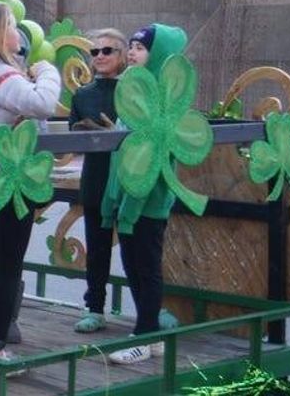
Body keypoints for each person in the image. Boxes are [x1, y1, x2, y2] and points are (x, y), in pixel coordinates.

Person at [0, 3, 61, 366]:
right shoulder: (4, 75)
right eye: (9, 25)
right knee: (8, 264)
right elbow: (44, 103)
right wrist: (48, 70)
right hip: (10, 182)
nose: (16, 32)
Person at [101, 24, 188, 364]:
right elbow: (120, 154)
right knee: (133, 265)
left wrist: (131, 205)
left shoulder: (163, 101)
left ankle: (145, 334)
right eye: (132, 46)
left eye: (140, 47)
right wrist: (115, 200)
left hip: (147, 201)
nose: (132, 53)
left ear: (160, 56)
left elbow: (153, 158)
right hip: (128, 199)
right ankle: (148, 332)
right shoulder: (134, 95)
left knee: (145, 266)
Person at [68, 29, 125, 333]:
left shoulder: (134, 91)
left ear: (123, 56)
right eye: (95, 52)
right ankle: (95, 307)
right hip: (96, 178)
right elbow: (72, 141)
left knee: (136, 248)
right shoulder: (82, 95)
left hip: (129, 180)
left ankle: (149, 311)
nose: (100, 56)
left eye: (108, 50)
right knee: (97, 246)